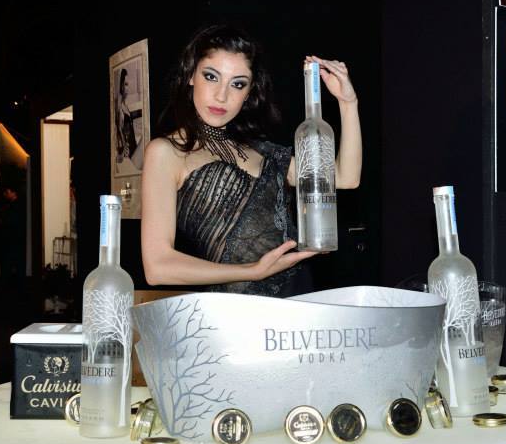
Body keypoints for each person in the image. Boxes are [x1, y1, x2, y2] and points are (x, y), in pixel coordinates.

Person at [141, 24, 361, 297]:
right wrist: (252, 271)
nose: (222, 95)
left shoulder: (263, 152)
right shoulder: (166, 152)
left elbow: (345, 178)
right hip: (239, 312)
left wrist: (348, 103)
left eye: (237, 84)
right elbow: (158, 267)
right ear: (190, 76)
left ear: (249, 92)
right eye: (211, 76)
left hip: (300, 302)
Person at [115, 67, 138, 165]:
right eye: (126, 84)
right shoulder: (120, 109)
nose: (128, 88)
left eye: (128, 84)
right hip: (130, 154)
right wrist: (124, 150)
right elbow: (120, 132)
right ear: (121, 86)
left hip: (133, 148)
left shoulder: (124, 106)